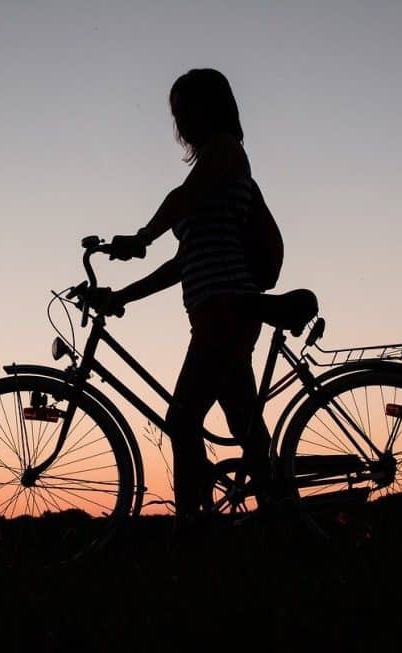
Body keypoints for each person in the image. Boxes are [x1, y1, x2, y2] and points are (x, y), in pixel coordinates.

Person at [93, 68, 273, 529]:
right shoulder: (211, 171)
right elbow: (184, 262)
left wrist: (143, 236)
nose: (180, 121)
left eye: (185, 108)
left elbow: (183, 196)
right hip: (218, 311)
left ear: (210, 107)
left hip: (227, 308)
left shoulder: (226, 153)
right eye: (176, 112)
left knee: (183, 417)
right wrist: (124, 295)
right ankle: (282, 521)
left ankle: (192, 529)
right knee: (245, 426)